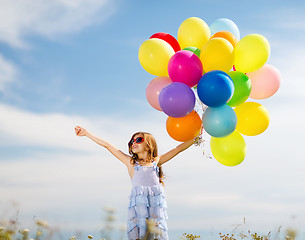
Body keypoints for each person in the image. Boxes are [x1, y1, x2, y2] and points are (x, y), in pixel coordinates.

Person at [75, 126, 198, 240]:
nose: (134, 143)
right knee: (139, 235)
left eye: (138, 139)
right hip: (138, 210)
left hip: (155, 209)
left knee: (155, 234)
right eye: (131, 141)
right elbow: (107, 145)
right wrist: (87, 134)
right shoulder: (131, 163)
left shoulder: (156, 162)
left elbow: (178, 149)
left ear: (149, 145)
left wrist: (196, 138)